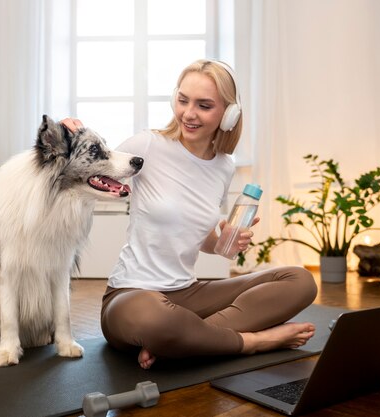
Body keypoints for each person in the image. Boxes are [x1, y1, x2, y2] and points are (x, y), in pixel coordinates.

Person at [62, 59, 317, 369]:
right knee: (157, 318)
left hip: (189, 293)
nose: (188, 113)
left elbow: (203, 240)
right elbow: (91, 168)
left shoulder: (223, 166)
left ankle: (187, 341)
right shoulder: (148, 145)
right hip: (132, 295)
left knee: (300, 281)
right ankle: (253, 342)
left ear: (229, 113)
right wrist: (69, 137)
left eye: (204, 105)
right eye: (183, 100)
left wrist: (224, 242)